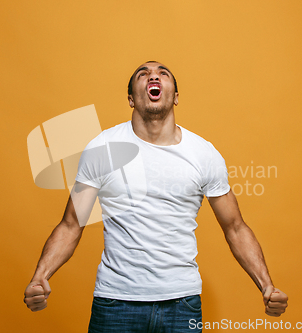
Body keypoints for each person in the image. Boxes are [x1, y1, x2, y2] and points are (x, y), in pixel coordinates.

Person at [24, 61, 288, 332]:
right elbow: (71, 225)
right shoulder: (102, 148)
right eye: (143, 74)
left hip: (182, 304)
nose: (153, 76)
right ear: (131, 99)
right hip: (115, 303)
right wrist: (39, 277)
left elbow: (235, 228)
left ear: (175, 97)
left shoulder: (204, 154)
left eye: (163, 73)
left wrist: (267, 285)